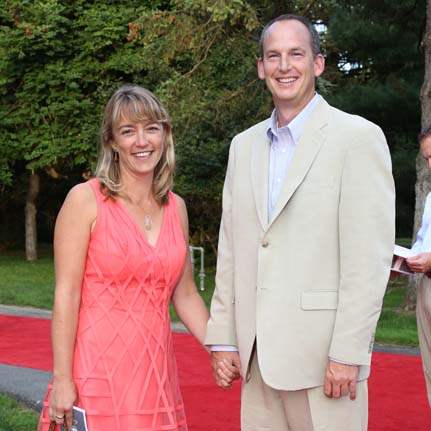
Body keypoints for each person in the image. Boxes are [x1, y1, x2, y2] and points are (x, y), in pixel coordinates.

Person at [205, 14, 395, 431]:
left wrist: (348, 351)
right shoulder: (242, 146)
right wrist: (223, 336)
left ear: (318, 63)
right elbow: (232, 249)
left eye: (296, 54)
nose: (284, 66)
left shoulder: (358, 138)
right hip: (257, 362)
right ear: (261, 68)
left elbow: (368, 261)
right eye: (273, 56)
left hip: (324, 364)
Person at [37, 84, 209, 431]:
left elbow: (186, 293)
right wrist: (63, 379)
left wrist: (222, 348)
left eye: (151, 128)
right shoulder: (85, 200)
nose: (142, 141)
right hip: (95, 376)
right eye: (128, 131)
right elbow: (66, 294)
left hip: (155, 377)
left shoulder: (176, 207)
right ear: (112, 142)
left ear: (165, 134)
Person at [406, 126, 431, 407]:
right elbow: (423, 241)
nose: (430, 164)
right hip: (426, 286)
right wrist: (405, 260)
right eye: (427, 158)